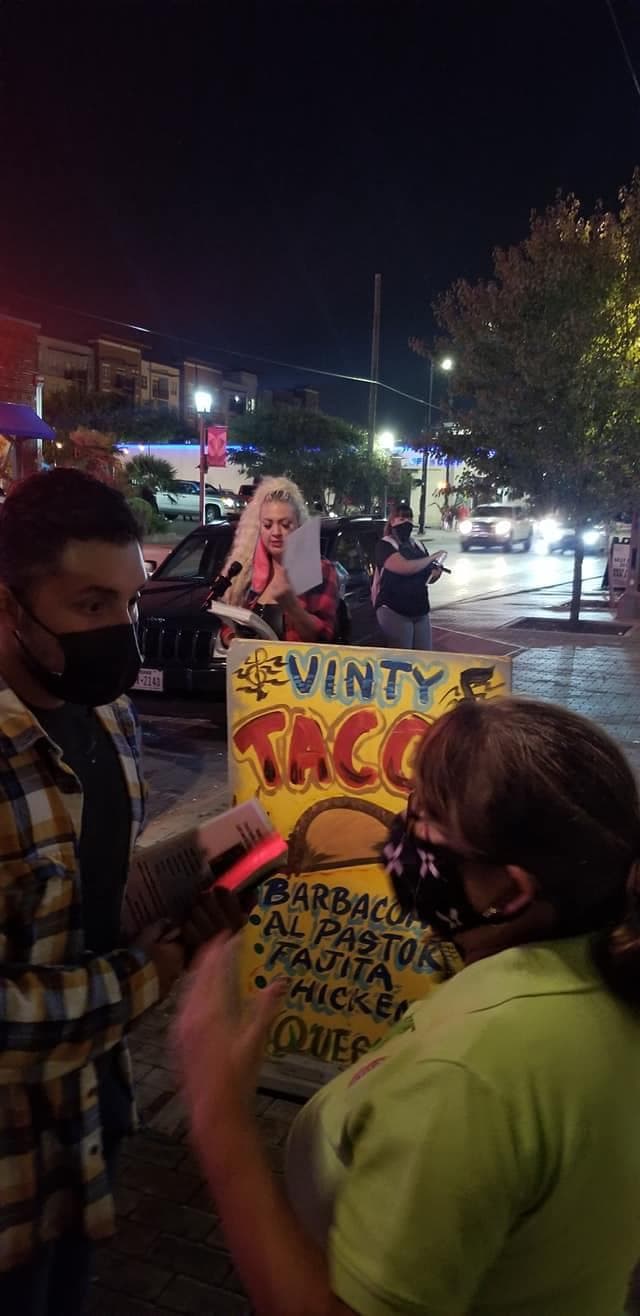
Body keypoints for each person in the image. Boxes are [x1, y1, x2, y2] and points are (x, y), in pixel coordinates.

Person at [175, 696, 640, 1316]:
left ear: (509, 891)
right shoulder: (602, 973)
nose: (400, 826)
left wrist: (219, 1117)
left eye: (425, 814)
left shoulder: (471, 1073)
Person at [0, 469, 236, 1315]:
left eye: (130, 602)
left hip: (89, 1123)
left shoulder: (106, 714)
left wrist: (184, 897)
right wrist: (151, 972)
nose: (120, 632)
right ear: (8, 605)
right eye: (91, 605)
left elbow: (86, 886)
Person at [222, 475, 338, 642]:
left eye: (285, 525)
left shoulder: (319, 569)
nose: (276, 532)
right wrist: (232, 638)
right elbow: (228, 625)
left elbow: (324, 638)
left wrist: (291, 605)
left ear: (298, 525)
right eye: (268, 525)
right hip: (251, 659)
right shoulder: (246, 571)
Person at [374, 501, 443, 650]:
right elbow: (405, 568)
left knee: (424, 657)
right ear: (392, 522)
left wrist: (436, 572)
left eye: (410, 519)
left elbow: (428, 577)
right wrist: (432, 557)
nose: (407, 523)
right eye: (402, 519)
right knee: (402, 657)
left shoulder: (417, 545)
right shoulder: (385, 545)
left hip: (420, 610)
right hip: (394, 610)